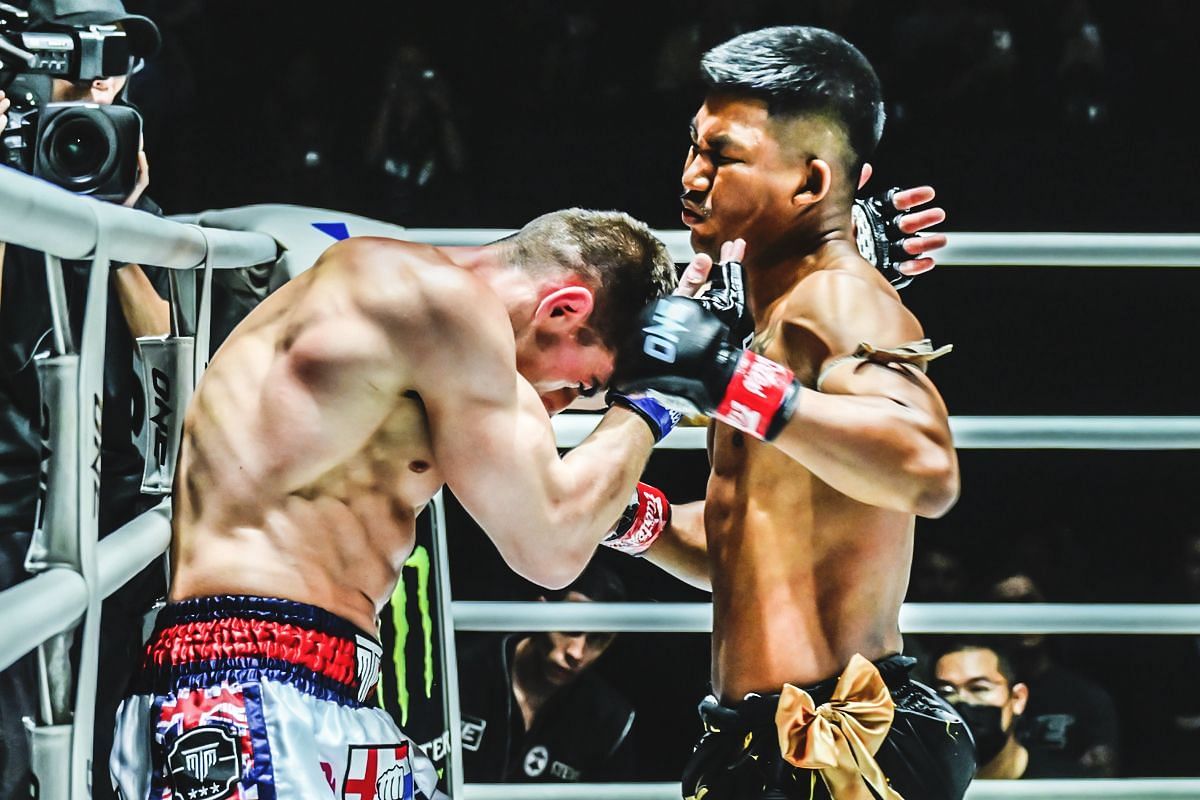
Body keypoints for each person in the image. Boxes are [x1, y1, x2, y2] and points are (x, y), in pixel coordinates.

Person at [109, 209, 687, 800]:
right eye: (583, 385)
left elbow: (556, 509)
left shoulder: (422, 312)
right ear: (563, 310)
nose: (562, 406)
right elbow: (551, 550)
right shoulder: (445, 307)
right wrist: (655, 400)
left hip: (311, 683)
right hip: (247, 687)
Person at [602, 26, 975, 798]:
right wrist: (621, 515)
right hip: (755, 742)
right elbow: (747, 544)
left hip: (835, 756)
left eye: (724, 155)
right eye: (694, 147)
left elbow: (925, 468)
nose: (693, 176)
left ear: (809, 183)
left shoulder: (839, 301)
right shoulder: (771, 324)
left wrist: (726, 378)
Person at [0, 2, 165, 796]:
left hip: (110, 506)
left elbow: (170, 353)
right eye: (81, 51)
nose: (104, 73)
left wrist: (119, 230)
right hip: (11, 505)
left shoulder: (109, 167)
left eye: (118, 55)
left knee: (96, 748)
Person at [406, 560, 635, 785]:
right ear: (538, 610)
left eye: (597, 639)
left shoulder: (609, 719)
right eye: (571, 625)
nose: (576, 652)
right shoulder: (459, 670)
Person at [987, 571, 1119, 777]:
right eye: (1006, 606)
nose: (1019, 616)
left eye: (1028, 603)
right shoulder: (983, 697)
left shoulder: (1086, 697)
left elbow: (1100, 774)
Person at [934, 640, 1063, 779]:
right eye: (946, 692)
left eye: (978, 688)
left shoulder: (1063, 787)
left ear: (1017, 698)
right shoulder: (925, 785)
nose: (961, 703)